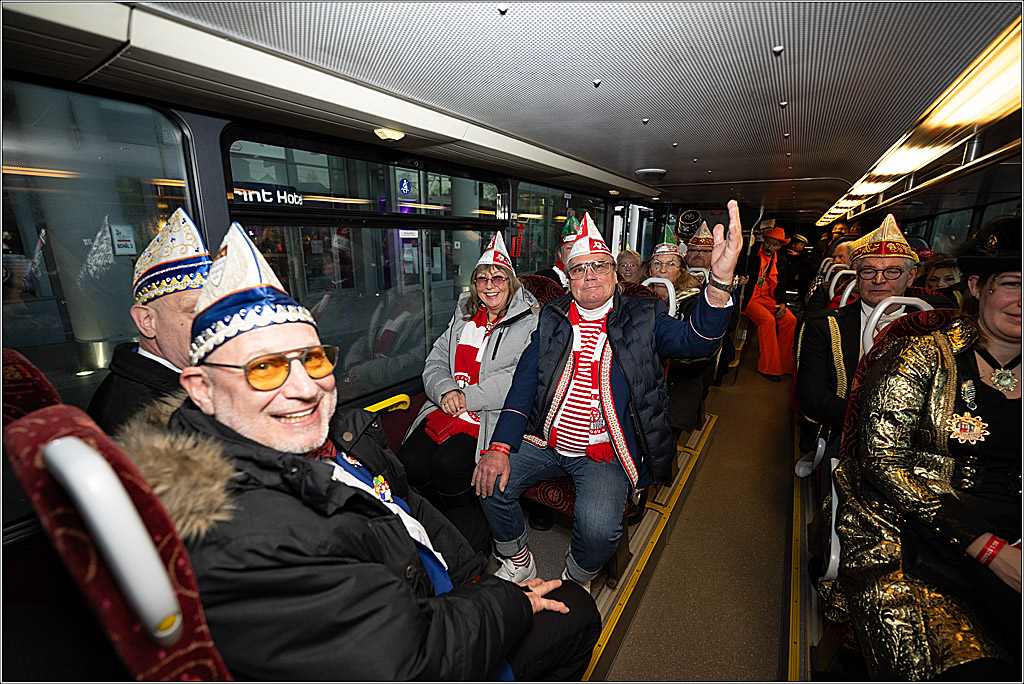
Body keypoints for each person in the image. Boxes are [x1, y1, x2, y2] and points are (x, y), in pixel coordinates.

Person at [116, 221, 600, 681]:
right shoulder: (246, 532)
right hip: (420, 639)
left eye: (313, 358)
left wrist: (479, 584)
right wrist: (509, 603)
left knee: (466, 514)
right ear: (201, 389)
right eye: (264, 368)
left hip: (420, 572)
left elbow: (405, 503)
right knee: (579, 611)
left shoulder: (339, 433)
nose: (304, 388)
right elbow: (408, 659)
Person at [472, 203, 742, 588]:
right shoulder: (552, 316)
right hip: (546, 439)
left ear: (615, 274)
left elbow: (694, 342)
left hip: (606, 449)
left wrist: (718, 282)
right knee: (486, 479)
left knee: (599, 530)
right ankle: (519, 559)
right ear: (569, 280)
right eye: (580, 269)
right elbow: (525, 380)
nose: (590, 276)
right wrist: (498, 447)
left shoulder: (645, 314)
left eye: (600, 265)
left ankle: (575, 577)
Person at [831, 216, 1021, 680]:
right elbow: (882, 461)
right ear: (976, 286)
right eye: (1012, 284)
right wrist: (989, 548)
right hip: (915, 533)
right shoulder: (918, 355)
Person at [397, 233, 539, 515]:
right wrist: (446, 391)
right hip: (447, 405)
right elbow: (436, 359)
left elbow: (520, 377)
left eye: (498, 278)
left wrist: (467, 397)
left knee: (448, 466)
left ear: (510, 282)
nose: (490, 286)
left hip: (489, 413)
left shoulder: (532, 320)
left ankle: (470, 527)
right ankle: (436, 521)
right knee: (408, 462)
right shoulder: (463, 314)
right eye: (482, 279)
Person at [796, 214, 940, 449]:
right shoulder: (823, 326)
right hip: (848, 433)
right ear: (857, 275)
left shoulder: (935, 324)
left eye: (893, 271)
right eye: (869, 271)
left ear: (911, 276)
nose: (879, 280)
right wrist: (878, 425)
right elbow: (811, 396)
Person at [87, 208, 210, 434]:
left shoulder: (178, 377)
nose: (215, 323)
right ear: (146, 321)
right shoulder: (142, 418)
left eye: (219, 308)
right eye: (197, 310)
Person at [645, 226, 714, 437]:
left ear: (681, 270)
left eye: (671, 264)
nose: (663, 270)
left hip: (679, 372)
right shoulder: (637, 297)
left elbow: (697, 353)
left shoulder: (693, 301)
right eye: (657, 264)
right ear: (649, 270)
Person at [741, 225, 796, 381]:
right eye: (769, 242)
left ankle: (785, 364)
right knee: (768, 320)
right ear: (764, 240)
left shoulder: (782, 261)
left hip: (769, 299)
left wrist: (783, 303)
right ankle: (769, 367)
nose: (770, 247)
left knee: (790, 320)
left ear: (780, 247)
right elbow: (738, 270)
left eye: (775, 244)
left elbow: (782, 284)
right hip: (750, 299)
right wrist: (741, 279)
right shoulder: (750, 254)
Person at [535, 216, 580, 289]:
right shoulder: (543, 279)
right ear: (560, 254)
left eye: (579, 248)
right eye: (569, 248)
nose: (574, 252)